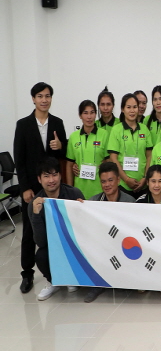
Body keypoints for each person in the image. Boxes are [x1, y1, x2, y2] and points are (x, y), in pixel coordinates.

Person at [14, 82, 67, 293]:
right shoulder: (23, 124)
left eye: (47, 96)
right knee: (29, 231)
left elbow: (63, 155)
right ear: (33, 99)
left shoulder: (57, 122)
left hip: (53, 185)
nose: (44, 100)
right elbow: (19, 159)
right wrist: (25, 188)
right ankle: (27, 273)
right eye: (40, 96)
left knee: (55, 229)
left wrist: (60, 146)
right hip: (32, 187)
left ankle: (59, 270)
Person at [29, 157, 84, 300]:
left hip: (74, 242)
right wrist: (36, 214)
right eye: (46, 176)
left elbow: (85, 229)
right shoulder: (35, 204)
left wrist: (82, 209)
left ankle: (71, 278)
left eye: (54, 175)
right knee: (40, 255)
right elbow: (40, 241)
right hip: (52, 245)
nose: (51, 180)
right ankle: (53, 281)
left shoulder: (74, 194)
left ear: (60, 176)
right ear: (39, 179)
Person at [84, 161, 135, 303]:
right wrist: (78, 207)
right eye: (103, 181)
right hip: (102, 245)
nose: (107, 184)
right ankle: (97, 285)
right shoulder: (93, 202)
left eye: (110, 180)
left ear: (118, 180)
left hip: (123, 246)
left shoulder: (130, 202)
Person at [108, 93, 154, 197]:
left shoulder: (144, 129)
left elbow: (149, 156)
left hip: (143, 185)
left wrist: (145, 178)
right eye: (128, 107)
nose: (132, 111)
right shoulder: (116, 130)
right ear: (122, 109)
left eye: (135, 107)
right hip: (122, 185)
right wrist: (126, 179)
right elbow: (113, 158)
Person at [65, 99, 110, 199]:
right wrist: (70, 189)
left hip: (99, 188)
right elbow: (69, 164)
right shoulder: (73, 137)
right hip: (79, 189)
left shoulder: (104, 134)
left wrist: (105, 164)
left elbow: (109, 159)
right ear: (80, 115)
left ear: (96, 114)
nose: (89, 117)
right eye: (85, 113)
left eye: (92, 113)